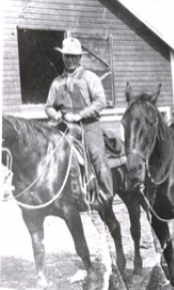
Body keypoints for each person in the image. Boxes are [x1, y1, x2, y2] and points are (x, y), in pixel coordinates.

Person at [45, 37, 113, 206]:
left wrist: (80, 115)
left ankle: (105, 196)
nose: (70, 60)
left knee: (97, 156)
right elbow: (49, 106)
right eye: (67, 56)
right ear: (62, 57)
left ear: (79, 58)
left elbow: (100, 102)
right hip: (63, 127)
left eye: (74, 56)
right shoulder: (57, 83)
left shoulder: (90, 78)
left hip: (88, 126)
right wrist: (55, 115)